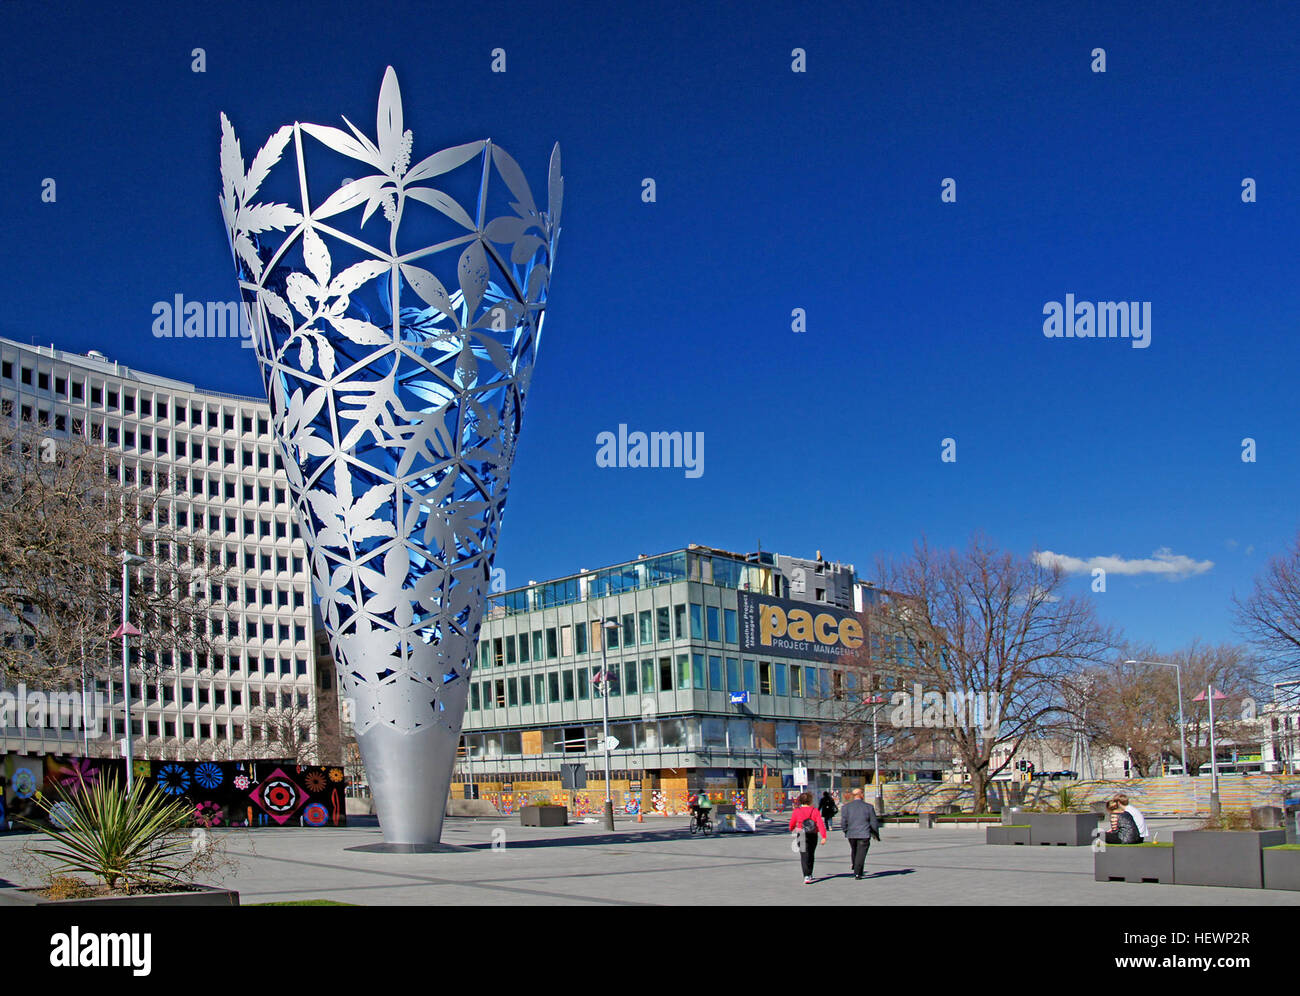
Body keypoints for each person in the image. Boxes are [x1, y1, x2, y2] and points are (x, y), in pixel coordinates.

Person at [839, 788, 880, 879]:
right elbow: (873, 822)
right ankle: (857, 873)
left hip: (851, 833)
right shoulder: (868, 807)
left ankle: (856, 866)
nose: (863, 795)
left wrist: (846, 830)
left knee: (855, 850)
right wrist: (875, 833)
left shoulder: (846, 807)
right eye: (863, 793)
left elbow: (843, 822)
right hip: (864, 833)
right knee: (861, 853)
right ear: (860, 794)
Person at [789, 791, 828, 884]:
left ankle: (806, 875)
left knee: (804, 855)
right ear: (810, 800)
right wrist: (824, 836)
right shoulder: (815, 811)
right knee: (811, 854)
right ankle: (809, 873)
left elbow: (792, 823)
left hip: (801, 834)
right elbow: (820, 824)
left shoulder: (797, 811)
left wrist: (792, 829)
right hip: (813, 834)